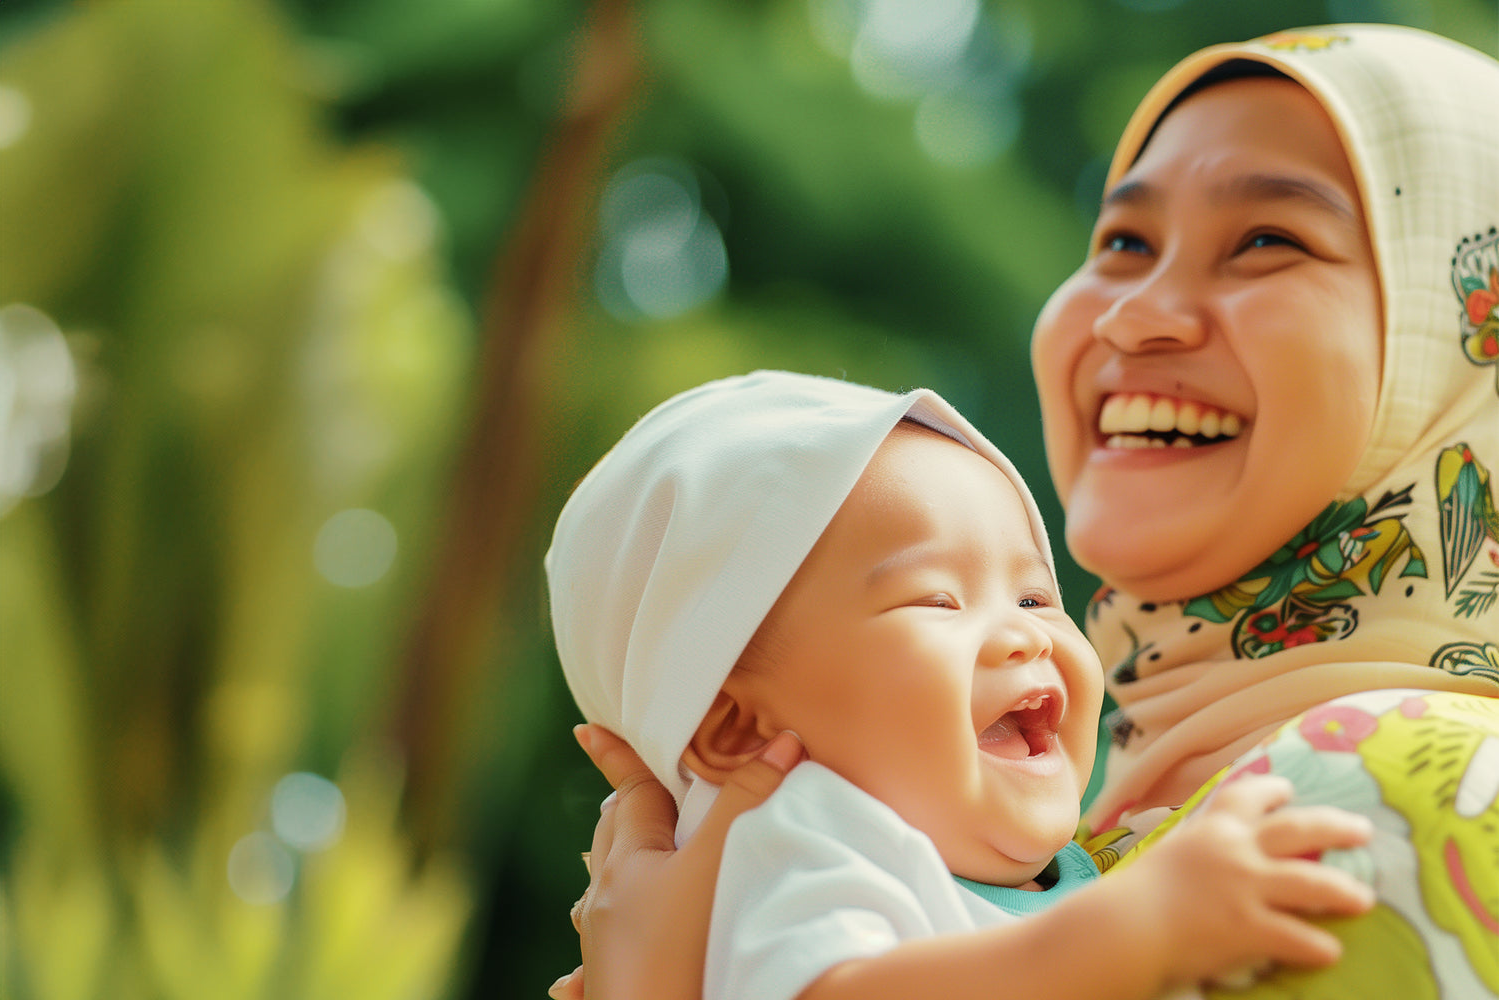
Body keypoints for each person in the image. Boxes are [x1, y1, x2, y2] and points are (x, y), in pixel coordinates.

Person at [554, 22, 1499, 1000]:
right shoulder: (1058, 847)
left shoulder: (1416, 788)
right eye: (1124, 241)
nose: (1134, 314)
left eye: (1268, 240)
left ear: (1460, 340)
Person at [546, 370, 1375, 1000]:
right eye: (938, 601)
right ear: (738, 729)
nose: (1024, 634)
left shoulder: (1047, 874)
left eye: (1035, 598)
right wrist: (1137, 927)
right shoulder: (801, 843)